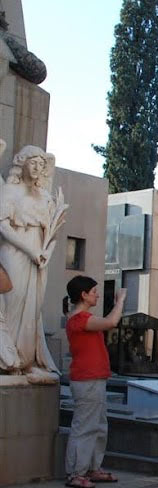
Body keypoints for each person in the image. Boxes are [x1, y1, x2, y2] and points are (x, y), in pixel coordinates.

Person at [0, 145, 64, 382]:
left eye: (41, 163)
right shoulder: (9, 191)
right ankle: (8, 360)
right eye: (33, 162)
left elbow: (54, 230)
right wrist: (33, 251)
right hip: (16, 252)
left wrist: (46, 251)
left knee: (32, 310)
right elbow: (4, 227)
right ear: (22, 163)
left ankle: (26, 360)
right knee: (12, 304)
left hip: (39, 258)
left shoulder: (45, 196)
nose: (38, 168)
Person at [63, 276, 126, 488]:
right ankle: (75, 473)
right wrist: (120, 302)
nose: (97, 295)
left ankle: (91, 468)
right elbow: (111, 322)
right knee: (85, 427)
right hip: (86, 379)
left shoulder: (83, 318)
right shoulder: (78, 319)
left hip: (95, 378)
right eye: (94, 291)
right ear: (83, 295)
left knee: (98, 426)